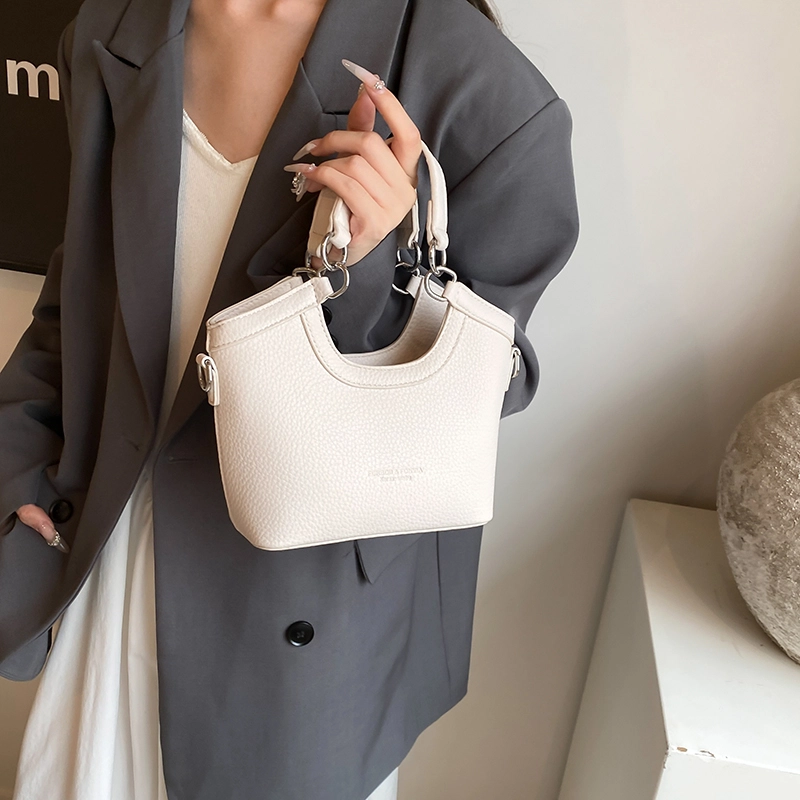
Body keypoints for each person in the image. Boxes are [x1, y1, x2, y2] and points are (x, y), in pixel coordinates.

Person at [0, 0, 579, 797]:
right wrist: (15, 467)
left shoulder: (481, 92)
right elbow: (80, 302)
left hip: (299, 609)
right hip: (116, 559)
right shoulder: (115, 30)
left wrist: (371, 271)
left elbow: (482, 383)